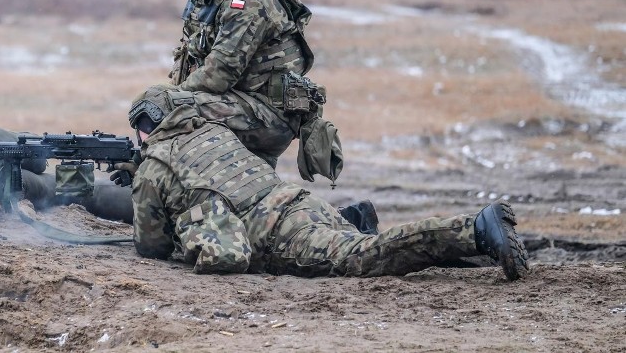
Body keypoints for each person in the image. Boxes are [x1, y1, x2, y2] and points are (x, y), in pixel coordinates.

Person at [127, 84, 530, 281]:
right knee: (364, 244)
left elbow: (152, 246)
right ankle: (465, 248)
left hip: (278, 233)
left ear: (145, 128)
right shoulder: (215, 132)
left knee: (363, 257)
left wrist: (144, 188)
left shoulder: (155, 166)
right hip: (300, 203)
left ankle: (476, 228)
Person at [160, 0, 341, 179]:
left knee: (164, 104)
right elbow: (188, 65)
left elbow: (217, 76)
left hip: (268, 115)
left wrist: (166, 105)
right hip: (240, 105)